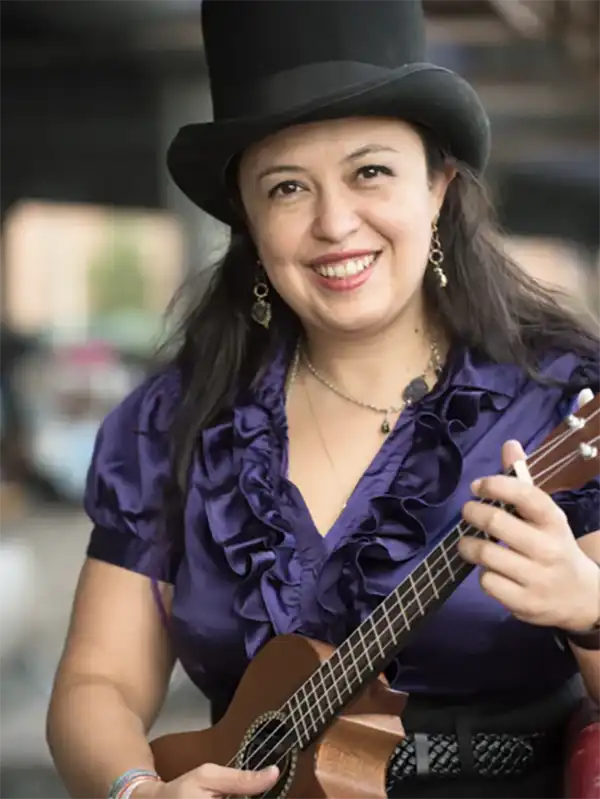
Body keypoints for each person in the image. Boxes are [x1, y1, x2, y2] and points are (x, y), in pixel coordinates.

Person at [46, 1, 600, 797]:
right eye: (287, 188)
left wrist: (586, 605)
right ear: (248, 217)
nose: (335, 223)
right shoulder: (172, 420)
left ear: (438, 187)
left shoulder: (557, 400)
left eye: (370, 171)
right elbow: (97, 682)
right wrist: (137, 788)